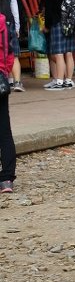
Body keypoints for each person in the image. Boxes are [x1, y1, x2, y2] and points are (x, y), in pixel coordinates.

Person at [40, 0, 75, 89]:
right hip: (69, 25)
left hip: (57, 25)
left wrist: (47, 26)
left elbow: (49, 14)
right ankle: (68, 80)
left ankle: (59, 81)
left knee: (58, 54)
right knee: (68, 53)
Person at [0, 12, 14, 192]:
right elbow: (9, 51)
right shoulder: (2, 19)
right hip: (0, 77)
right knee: (4, 131)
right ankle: (7, 179)